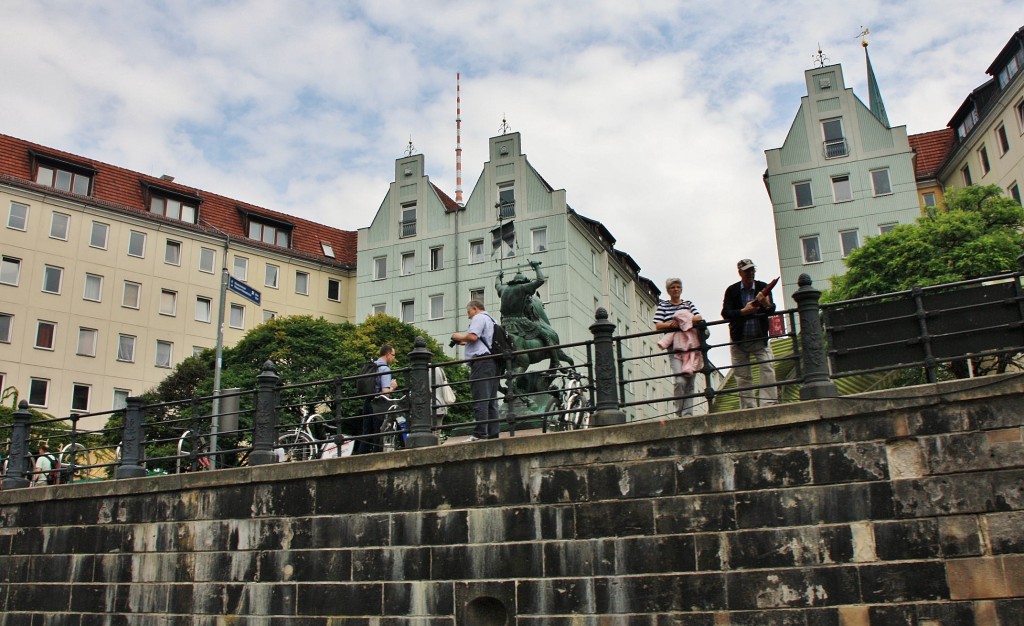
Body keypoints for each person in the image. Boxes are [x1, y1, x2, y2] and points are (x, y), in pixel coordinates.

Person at [721, 258, 778, 408]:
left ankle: (768, 403)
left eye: (752, 270)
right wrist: (743, 311)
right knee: (742, 375)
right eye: (747, 271)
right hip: (739, 339)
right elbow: (725, 313)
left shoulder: (763, 286)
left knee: (768, 367)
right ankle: (749, 407)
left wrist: (765, 302)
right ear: (740, 273)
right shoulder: (732, 290)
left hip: (760, 337)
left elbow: (771, 310)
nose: (751, 273)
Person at [495, 260, 562, 369]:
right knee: (546, 335)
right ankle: (556, 361)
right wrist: (536, 267)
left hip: (505, 323)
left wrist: (498, 277)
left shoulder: (502, 289)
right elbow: (540, 280)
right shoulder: (522, 288)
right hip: (520, 321)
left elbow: (497, 284)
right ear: (522, 282)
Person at [653, 278, 704, 416]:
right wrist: (671, 324)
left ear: (681, 289)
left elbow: (698, 318)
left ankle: (688, 414)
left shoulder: (688, 304)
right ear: (668, 290)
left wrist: (682, 320)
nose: (675, 289)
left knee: (690, 380)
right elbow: (658, 325)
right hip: (674, 346)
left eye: (678, 287)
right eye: (672, 287)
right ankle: (679, 410)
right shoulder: (663, 305)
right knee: (680, 380)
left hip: (691, 344)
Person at [451, 300, 500, 441]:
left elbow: (473, 336)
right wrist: (464, 341)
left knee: (481, 398)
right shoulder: (492, 319)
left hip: (481, 362)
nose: (468, 316)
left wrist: (459, 336)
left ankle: (480, 434)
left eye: (469, 312)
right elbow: (480, 340)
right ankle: (493, 433)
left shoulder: (478, 317)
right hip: (493, 362)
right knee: (491, 400)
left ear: (475, 308)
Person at [354, 345, 398, 454]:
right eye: (393, 355)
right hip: (378, 404)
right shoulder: (385, 369)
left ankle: (361, 455)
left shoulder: (373, 365)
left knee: (366, 432)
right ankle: (377, 455)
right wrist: (393, 387)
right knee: (378, 432)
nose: (393, 358)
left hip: (368, 401)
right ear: (388, 354)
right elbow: (385, 392)